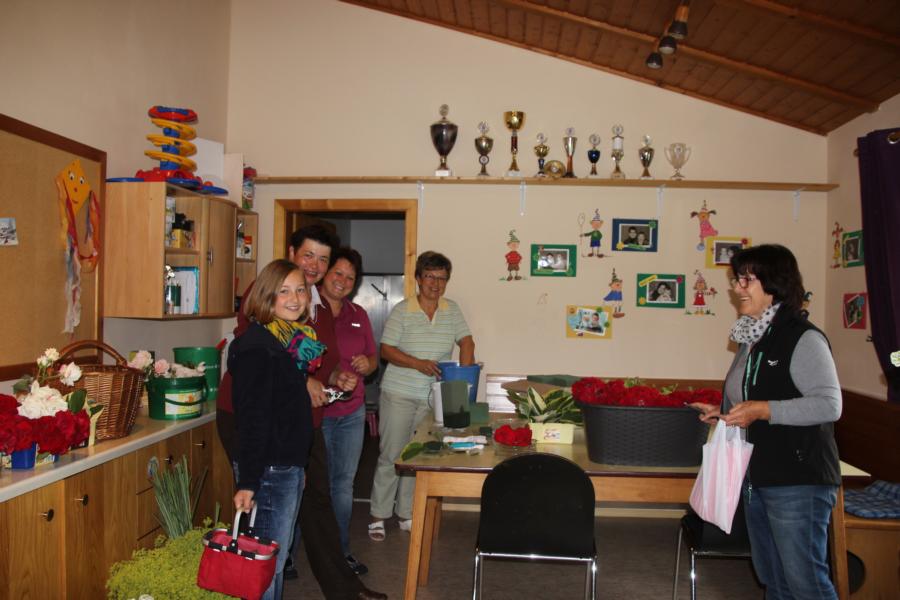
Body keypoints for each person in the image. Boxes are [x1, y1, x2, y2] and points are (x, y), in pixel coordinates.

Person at [690, 244, 841, 600]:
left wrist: (764, 410)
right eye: (736, 280)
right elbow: (752, 394)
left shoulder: (803, 338)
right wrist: (725, 413)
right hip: (757, 475)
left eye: (746, 280)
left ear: (774, 283)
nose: (737, 288)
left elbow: (829, 405)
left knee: (805, 582)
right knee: (774, 579)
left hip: (798, 479)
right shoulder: (751, 337)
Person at [230, 259, 323, 600]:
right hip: (267, 470)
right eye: (284, 291)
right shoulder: (258, 348)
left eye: (300, 290)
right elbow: (253, 420)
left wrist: (298, 466)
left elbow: (288, 415)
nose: (295, 299)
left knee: (275, 561)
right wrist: (249, 482)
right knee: (266, 566)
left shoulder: (288, 343)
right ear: (266, 296)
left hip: (285, 466)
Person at [368, 251, 475, 540]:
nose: (435, 284)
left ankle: (406, 513)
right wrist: (417, 363)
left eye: (442, 278)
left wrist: (461, 380)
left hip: (432, 398)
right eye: (430, 276)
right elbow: (386, 350)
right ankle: (378, 515)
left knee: (418, 457)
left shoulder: (452, 310)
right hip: (399, 394)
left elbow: (467, 342)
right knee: (392, 454)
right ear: (418, 278)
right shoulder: (403, 310)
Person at [319, 247, 378, 572]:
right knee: (310, 485)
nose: (342, 281)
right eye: (337, 273)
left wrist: (367, 364)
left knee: (343, 485)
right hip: (316, 414)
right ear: (325, 273)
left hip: (352, 413)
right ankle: (290, 555)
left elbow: (373, 357)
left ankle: (341, 552)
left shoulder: (358, 314)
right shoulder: (306, 309)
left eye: (350, 278)